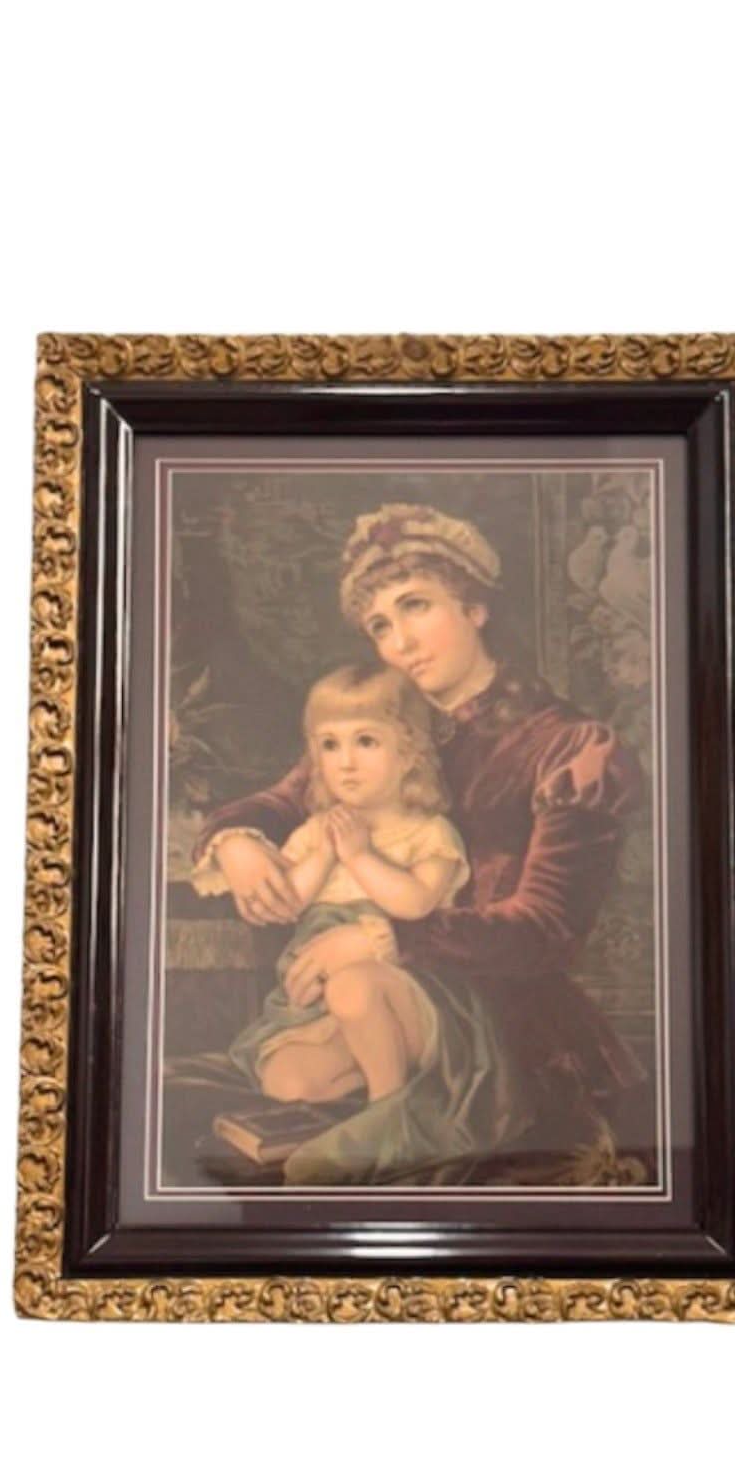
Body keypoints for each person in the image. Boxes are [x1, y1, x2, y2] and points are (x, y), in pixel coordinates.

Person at [190, 502, 645, 1184]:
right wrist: (237, 841)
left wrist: (386, 939)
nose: (400, 641)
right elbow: (282, 801)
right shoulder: (382, 726)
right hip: (377, 1005)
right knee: (289, 1079)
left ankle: (401, 1117)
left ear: (475, 608)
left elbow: (545, 932)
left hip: (509, 1019)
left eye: (416, 606)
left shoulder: (569, 748)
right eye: (380, 625)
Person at [187, 663, 529, 1183]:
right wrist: (325, 853)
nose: (345, 762)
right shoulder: (315, 831)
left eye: (366, 741)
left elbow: (414, 903)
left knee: (353, 987)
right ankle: (382, 1086)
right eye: (329, 745)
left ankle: (389, 1111)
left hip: (412, 993)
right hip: (324, 1007)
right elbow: (289, 904)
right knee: (287, 1080)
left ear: (409, 752)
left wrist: (360, 855)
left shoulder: (428, 832)